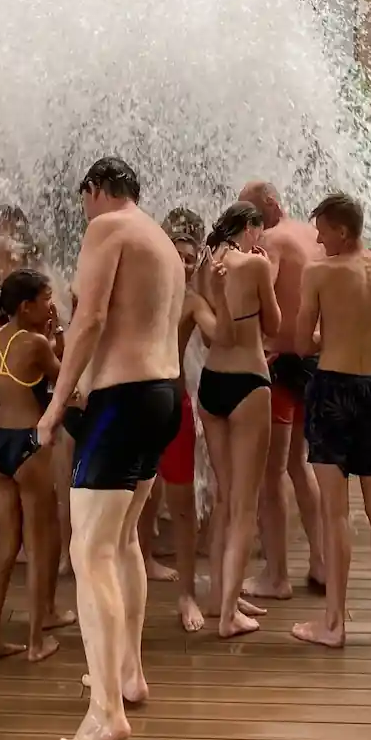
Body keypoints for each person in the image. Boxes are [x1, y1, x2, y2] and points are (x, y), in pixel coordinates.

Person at [37, 156, 183, 740]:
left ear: (94, 190)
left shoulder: (108, 228)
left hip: (122, 401)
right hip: (163, 395)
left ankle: (105, 714)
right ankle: (127, 673)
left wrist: (53, 409)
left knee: (89, 550)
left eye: (83, 200)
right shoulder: (163, 244)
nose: (84, 212)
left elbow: (91, 318)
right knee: (123, 544)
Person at [290, 192, 371, 651]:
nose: (318, 239)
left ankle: (334, 624)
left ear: (343, 230)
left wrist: (332, 336)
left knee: (335, 510)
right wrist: (365, 339)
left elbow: (303, 343)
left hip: (332, 393)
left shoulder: (320, 272)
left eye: (322, 230)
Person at [0, 268, 75, 662]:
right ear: (27, 306)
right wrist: (63, 330)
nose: (52, 305)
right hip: (29, 444)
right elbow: (63, 377)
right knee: (40, 544)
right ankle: (36, 640)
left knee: (6, 543)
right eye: (47, 299)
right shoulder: (35, 342)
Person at [196, 201, 281, 639]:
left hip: (212, 383)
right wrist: (270, 273)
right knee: (244, 504)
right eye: (259, 231)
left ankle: (220, 597)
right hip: (248, 379)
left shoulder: (202, 266)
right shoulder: (255, 266)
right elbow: (275, 324)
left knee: (225, 497)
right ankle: (229, 615)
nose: (261, 239)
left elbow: (208, 328)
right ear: (249, 228)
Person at [142, 210, 230, 632]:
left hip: (173, 404)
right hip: (133, 403)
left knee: (181, 506)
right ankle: (139, 566)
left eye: (191, 258)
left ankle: (187, 595)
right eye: (177, 255)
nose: (184, 264)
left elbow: (219, 336)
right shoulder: (138, 291)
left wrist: (217, 288)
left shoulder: (194, 301)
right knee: (132, 498)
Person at [238, 180, 325, 599]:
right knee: (300, 464)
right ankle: (322, 563)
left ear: (271, 205)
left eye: (253, 214)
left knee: (271, 473)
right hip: (315, 361)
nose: (251, 226)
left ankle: (276, 576)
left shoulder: (271, 241)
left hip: (280, 365)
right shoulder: (315, 237)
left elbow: (260, 296)